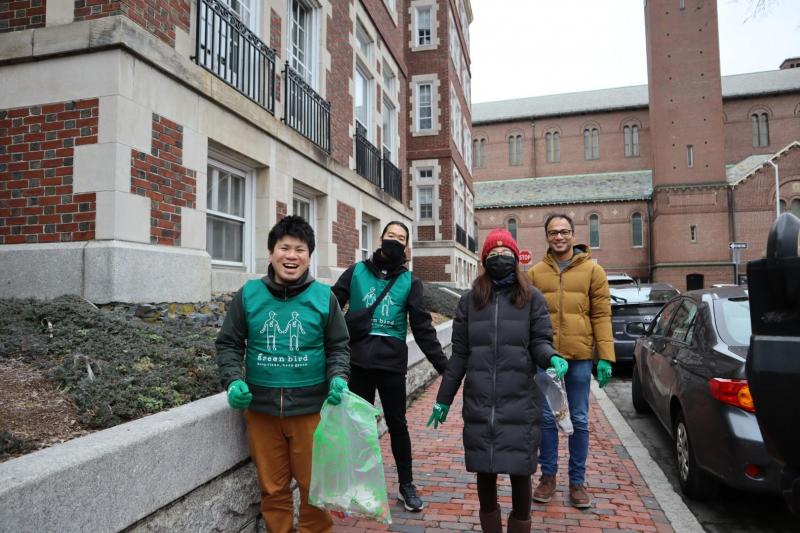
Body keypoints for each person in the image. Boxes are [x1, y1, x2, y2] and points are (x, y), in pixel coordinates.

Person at [426, 228, 568, 533]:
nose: (499, 259)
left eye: (505, 254)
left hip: (519, 401)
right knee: (485, 472)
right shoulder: (469, 302)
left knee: (520, 473)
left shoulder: (532, 299)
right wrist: (442, 400)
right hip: (480, 403)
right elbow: (460, 356)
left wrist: (551, 357)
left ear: (515, 259)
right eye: (493, 254)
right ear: (484, 260)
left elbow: (540, 342)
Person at [216, 215, 350, 533]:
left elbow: (339, 347)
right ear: (271, 253)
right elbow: (228, 344)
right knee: (273, 492)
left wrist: (338, 378)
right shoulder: (249, 295)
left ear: (309, 255)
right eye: (284, 247)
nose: (291, 256)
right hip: (261, 413)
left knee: (314, 491)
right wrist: (233, 379)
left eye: (299, 249)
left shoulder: (323, 297)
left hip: (310, 413)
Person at [332, 221, 447, 512]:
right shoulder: (356, 271)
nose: (394, 241)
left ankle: (406, 485)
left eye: (400, 238)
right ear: (380, 239)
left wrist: (445, 367)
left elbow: (422, 328)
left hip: (391, 366)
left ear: (406, 246)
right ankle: (356, 485)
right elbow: (330, 307)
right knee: (357, 427)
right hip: (357, 362)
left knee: (398, 426)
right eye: (390, 236)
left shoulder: (410, 282)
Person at [527, 213, 614, 509]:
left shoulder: (593, 271)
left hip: (579, 359)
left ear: (574, 234)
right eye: (553, 232)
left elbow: (601, 315)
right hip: (547, 358)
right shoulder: (536, 273)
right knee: (549, 420)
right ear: (547, 237)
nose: (559, 237)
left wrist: (605, 357)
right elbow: (527, 319)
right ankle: (547, 477)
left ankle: (577, 482)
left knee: (578, 419)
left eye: (564, 232)